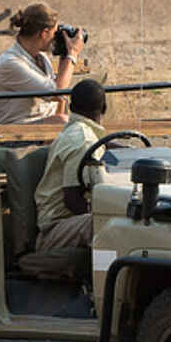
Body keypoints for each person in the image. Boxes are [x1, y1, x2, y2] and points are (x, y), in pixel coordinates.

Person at [33, 79, 107, 252]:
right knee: (110, 224)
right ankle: (107, 275)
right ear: (104, 109)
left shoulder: (80, 134)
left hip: (67, 222)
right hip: (55, 228)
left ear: (71, 108)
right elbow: (72, 201)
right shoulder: (83, 141)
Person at [0, 2, 86, 125]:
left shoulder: (41, 58)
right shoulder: (11, 63)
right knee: (65, 122)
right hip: (12, 133)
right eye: (54, 33)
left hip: (43, 129)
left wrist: (65, 56)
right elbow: (56, 93)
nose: (55, 38)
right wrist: (72, 54)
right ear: (44, 33)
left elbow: (59, 99)